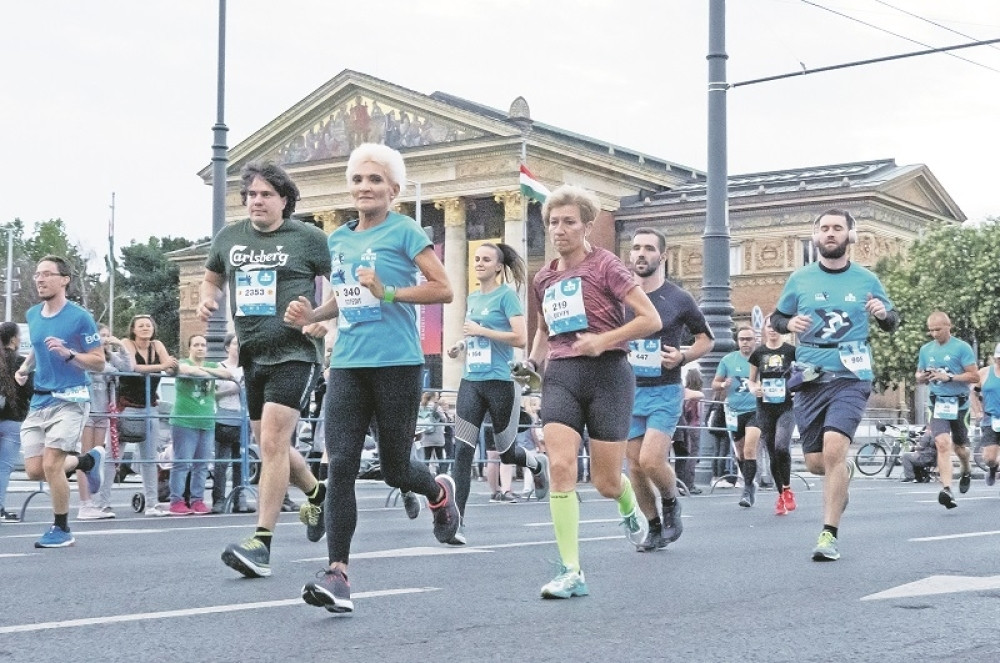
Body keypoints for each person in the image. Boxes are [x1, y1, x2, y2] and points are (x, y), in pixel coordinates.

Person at [285, 143, 459, 613]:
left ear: (393, 190)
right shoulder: (338, 240)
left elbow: (444, 288)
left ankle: (439, 493)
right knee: (338, 464)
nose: (365, 187)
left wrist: (390, 291)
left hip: (397, 364)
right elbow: (343, 299)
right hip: (346, 364)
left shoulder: (405, 231)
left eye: (375, 180)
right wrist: (309, 314)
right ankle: (338, 574)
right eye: (359, 180)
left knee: (395, 468)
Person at [523, 184, 661, 599]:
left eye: (568, 222)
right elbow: (544, 330)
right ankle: (570, 571)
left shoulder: (607, 266)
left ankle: (626, 504)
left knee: (604, 481)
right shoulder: (544, 276)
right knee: (561, 467)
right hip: (562, 374)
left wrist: (604, 340)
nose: (559, 230)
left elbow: (649, 319)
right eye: (553, 222)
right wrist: (531, 363)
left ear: (586, 226)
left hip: (608, 375)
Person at [198, 161, 330, 578]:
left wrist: (321, 315)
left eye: (266, 195)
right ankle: (316, 492)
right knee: (267, 444)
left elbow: (340, 282)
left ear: (284, 200)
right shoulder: (230, 237)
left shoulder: (309, 239)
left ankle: (261, 543)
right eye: (252, 194)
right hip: (252, 355)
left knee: (273, 442)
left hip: (295, 352)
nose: (257, 201)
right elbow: (212, 276)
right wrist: (207, 298)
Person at [771, 208, 899, 561]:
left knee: (832, 450)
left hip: (851, 375)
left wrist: (882, 314)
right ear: (815, 237)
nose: (830, 233)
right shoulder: (800, 279)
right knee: (816, 463)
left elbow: (892, 320)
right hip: (810, 377)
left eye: (837, 228)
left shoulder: (866, 279)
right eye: (824, 228)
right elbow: (776, 317)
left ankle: (828, 535)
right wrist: (788, 324)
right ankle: (843, 474)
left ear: (849, 235)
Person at [446, 241, 550, 544]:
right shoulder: (474, 297)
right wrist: (461, 346)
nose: (478, 263)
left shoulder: (507, 297)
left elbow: (519, 338)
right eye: (476, 258)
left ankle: (534, 462)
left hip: (501, 383)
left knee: (506, 451)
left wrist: (481, 332)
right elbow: (477, 338)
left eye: (485, 259)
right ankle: (457, 522)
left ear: (498, 266)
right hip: (472, 381)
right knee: (462, 451)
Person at [624, 227, 713, 552]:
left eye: (649, 248)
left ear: (662, 256)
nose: (641, 254)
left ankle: (672, 502)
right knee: (633, 465)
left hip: (665, 390)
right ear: (630, 255)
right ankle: (654, 525)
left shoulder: (678, 298)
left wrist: (683, 355)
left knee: (650, 459)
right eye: (636, 248)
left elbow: (707, 339)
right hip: (629, 390)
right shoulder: (622, 294)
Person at [14, 256, 106, 547]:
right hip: (41, 400)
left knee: (52, 464)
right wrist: (25, 367)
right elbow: (40, 346)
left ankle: (62, 529)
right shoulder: (32, 314)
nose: (40, 279)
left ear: (64, 280)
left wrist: (70, 355)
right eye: (37, 275)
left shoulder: (80, 317)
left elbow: (100, 362)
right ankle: (87, 461)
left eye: (47, 274)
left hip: (72, 398)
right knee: (34, 470)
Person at [915, 311, 978, 509]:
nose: (934, 334)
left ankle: (966, 469)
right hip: (937, 404)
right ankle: (947, 490)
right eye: (931, 330)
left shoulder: (962, 347)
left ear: (948, 327)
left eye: (938, 330)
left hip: (959, 404)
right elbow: (918, 373)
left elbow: (974, 377)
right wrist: (922, 377)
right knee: (942, 443)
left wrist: (949, 378)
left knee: (960, 448)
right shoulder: (926, 350)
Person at [118, 314, 178, 517]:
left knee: (150, 457)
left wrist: (168, 366)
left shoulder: (157, 344)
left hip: (150, 404)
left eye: (148, 325)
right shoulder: (127, 343)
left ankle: (152, 504)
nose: (145, 328)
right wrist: (162, 367)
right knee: (114, 455)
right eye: (141, 325)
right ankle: (101, 502)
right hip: (127, 405)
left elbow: (169, 365)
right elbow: (134, 367)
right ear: (133, 329)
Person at [167, 334, 231, 515]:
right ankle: (176, 501)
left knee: (202, 465)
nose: (200, 348)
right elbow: (185, 370)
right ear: (190, 348)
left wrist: (204, 371)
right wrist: (203, 372)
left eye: (203, 345)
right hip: (184, 420)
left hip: (207, 421)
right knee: (182, 463)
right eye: (196, 345)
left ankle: (197, 500)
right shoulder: (182, 362)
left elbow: (227, 374)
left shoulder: (212, 365)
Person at [80, 324, 133, 520]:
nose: (104, 339)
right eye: (100, 335)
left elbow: (128, 368)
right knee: (84, 458)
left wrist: (120, 346)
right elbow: (98, 368)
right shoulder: (85, 357)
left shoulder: (109, 357)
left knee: (96, 459)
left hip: (103, 412)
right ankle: (84, 503)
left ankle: (94, 502)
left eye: (107, 335)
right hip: (87, 412)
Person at [746, 317, 798, 516]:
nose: (773, 330)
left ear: (782, 330)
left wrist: (798, 388)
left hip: (787, 406)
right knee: (772, 452)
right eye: (770, 327)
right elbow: (751, 381)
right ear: (764, 329)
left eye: (777, 327)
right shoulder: (758, 353)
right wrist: (754, 388)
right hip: (765, 407)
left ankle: (787, 490)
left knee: (781, 446)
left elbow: (802, 374)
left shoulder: (791, 351)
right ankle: (781, 494)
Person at [712, 326, 761, 508]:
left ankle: (747, 489)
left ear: (755, 340)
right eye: (742, 339)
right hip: (734, 411)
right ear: (737, 341)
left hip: (756, 410)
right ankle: (750, 482)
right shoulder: (728, 360)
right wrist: (724, 383)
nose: (746, 342)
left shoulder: (761, 359)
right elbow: (715, 384)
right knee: (740, 453)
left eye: (749, 339)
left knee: (749, 450)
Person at [212, 333, 253, 513]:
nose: (238, 347)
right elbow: (211, 394)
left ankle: (239, 499)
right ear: (228, 347)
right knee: (221, 461)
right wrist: (231, 390)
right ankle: (218, 500)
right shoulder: (219, 367)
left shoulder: (249, 367)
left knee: (241, 461)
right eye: (235, 344)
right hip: (224, 415)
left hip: (244, 416)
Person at [0, 322, 32, 522]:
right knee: (3, 467)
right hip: (13, 420)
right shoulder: (22, 362)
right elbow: (30, 391)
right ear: (13, 339)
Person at [970, 343, 1000, 489]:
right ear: (995, 358)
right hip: (990, 418)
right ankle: (993, 469)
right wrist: (977, 412)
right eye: (999, 358)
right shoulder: (984, 373)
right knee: (989, 458)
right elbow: (973, 392)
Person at [677, 368, 705, 495]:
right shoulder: (696, 395)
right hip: (694, 426)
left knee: (684, 455)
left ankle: (681, 482)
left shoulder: (685, 393)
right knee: (692, 455)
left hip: (685, 426)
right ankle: (689, 484)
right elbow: (695, 414)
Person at [415, 390, 446, 474]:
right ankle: (442, 475)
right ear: (433, 397)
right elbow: (444, 419)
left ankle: (425, 476)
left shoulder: (421, 406)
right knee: (440, 458)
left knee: (426, 458)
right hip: (437, 436)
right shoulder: (436, 407)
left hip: (425, 436)